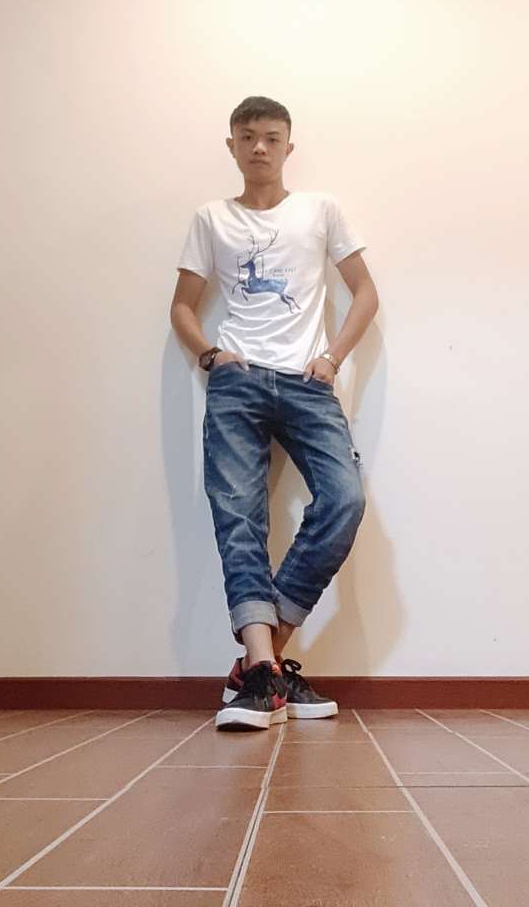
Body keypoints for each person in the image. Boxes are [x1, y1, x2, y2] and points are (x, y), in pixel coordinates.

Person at [170, 96, 379, 730]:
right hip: (236, 383)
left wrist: (333, 357)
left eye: (270, 137)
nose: (258, 147)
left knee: (343, 500)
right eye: (246, 137)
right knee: (238, 513)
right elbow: (182, 307)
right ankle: (265, 670)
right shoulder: (211, 218)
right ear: (231, 146)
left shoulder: (321, 210)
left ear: (289, 146)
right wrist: (211, 356)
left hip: (307, 381)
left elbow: (365, 292)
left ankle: (260, 670)